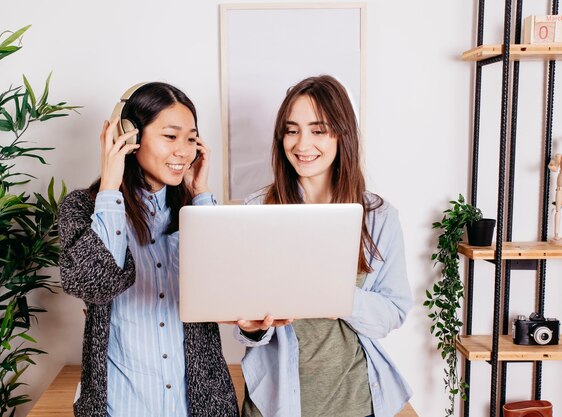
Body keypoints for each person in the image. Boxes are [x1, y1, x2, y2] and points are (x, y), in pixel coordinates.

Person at [233, 75, 413, 417]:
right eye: (291, 130)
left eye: (318, 130)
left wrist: (339, 297)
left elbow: (393, 313)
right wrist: (250, 329)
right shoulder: (257, 209)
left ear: (342, 134)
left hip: (355, 401)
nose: (302, 144)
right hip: (275, 402)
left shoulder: (378, 217)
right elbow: (248, 323)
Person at [58, 82, 238, 417]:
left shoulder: (197, 210)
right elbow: (91, 284)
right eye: (170, 136)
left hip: (199, 407)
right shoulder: (82, 209)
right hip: (121, 407)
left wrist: (201, 195)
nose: (183, 151)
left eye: (190, 138)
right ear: (129, 136)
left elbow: (225, 291)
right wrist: (110, 188)